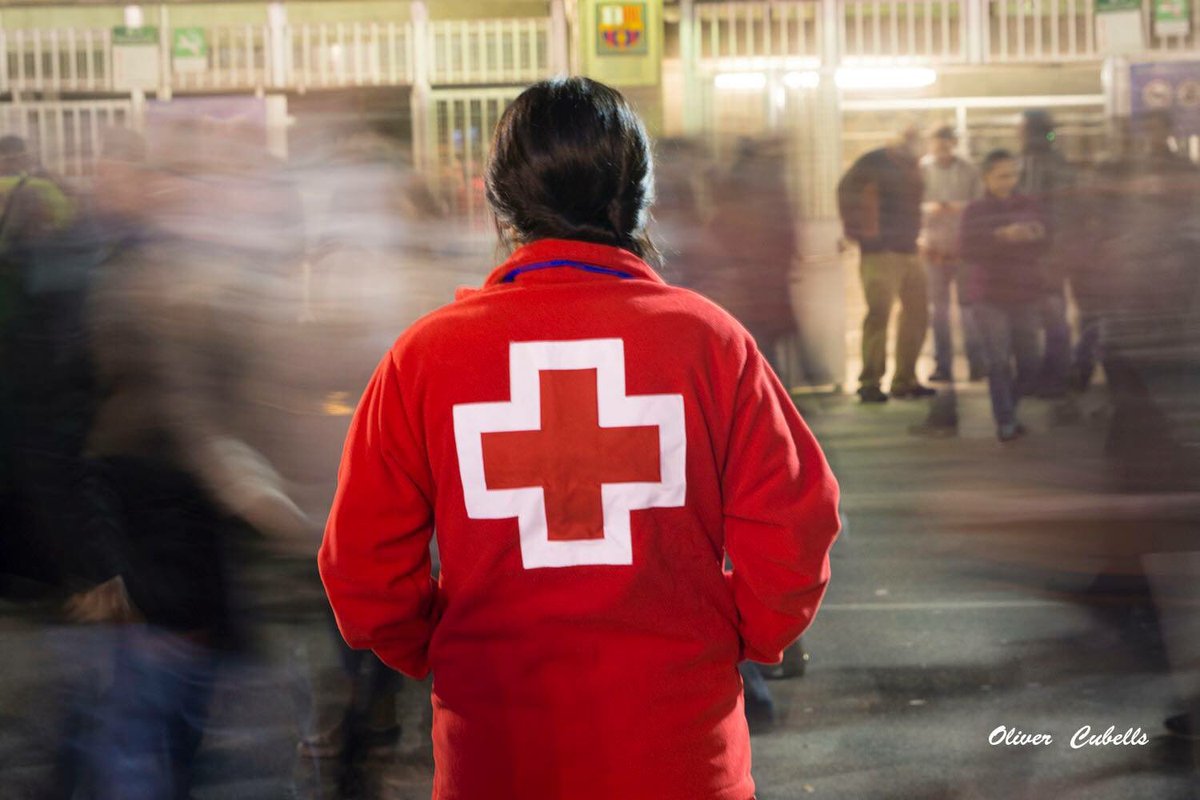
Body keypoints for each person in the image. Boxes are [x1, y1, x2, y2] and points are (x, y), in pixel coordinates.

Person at [319, 77, 841, 800]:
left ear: (499, 202)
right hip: (680, 751)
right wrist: (736, 636)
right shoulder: (709, 343)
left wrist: (442, 649)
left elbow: (362, 570)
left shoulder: (425, 358)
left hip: (496, 756)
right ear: (638, 196)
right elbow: (796, 525)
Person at [838, 123, 935, 402]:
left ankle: (905, 379)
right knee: (879, 314)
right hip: (879, 252)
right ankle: (870, 381)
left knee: (917, 314)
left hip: (908, 250)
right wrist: (861, 234)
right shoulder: (874, 162)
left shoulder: (912, 166)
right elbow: (845, 191)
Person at [960, 149, 1050, 441]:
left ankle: (1010, 407)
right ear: (987, 178)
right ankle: (1006, 420)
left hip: (1025, 291)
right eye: (1002, 175)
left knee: (1030, 362)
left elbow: (1047, 241)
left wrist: (1035, 234)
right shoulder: (975, 210)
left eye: (1012, 174)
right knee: (998, 361)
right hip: (989, 294)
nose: (1009, 180)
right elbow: (967, 250)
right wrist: (1000, 237)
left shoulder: (1029, 205)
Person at [1016, 110, 1077, 398]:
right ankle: (1051, 375)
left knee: (1047, 314)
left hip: (1043, 251)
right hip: (1040, 251)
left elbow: (1060, 211)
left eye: (1022, 128)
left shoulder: (1038, 164)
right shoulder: (1048, 162)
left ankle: (1052, 376)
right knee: (1045, 314)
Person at [919, 125, 985, 383]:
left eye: (946, 145)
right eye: (937, 144)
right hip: (933, 249)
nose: (942, 150)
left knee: (969, 309)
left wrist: (956, 209)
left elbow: (979, 204)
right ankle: (943, 366)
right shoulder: (922, 169)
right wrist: (931, 210)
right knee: (938, 311)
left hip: (964, 249)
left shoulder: (968, 170)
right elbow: (915, 206)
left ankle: (977, 364)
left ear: (953, 143)